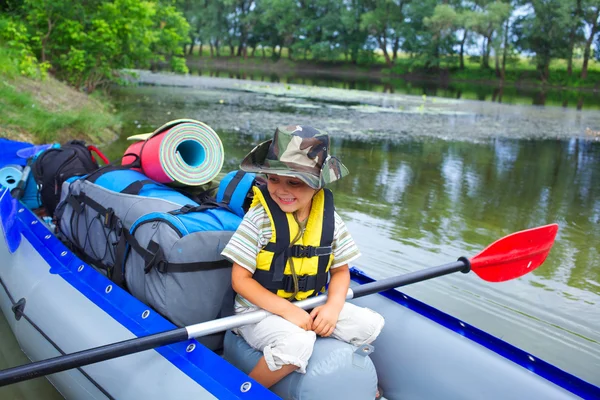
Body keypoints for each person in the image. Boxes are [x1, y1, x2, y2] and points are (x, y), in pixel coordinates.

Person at [221, 125, 385, 389]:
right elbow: (240, 280)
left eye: (294, 182)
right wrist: (287, 311)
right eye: (274, 179)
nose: (282, 190)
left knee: (369, 325)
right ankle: (245, 391)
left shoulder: (330, 219)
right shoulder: (259, 218)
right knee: (297, 341)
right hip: (256, 311)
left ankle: (354, 380)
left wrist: (331, 308)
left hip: (310, 302)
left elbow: (341, 271)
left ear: (318, 184)